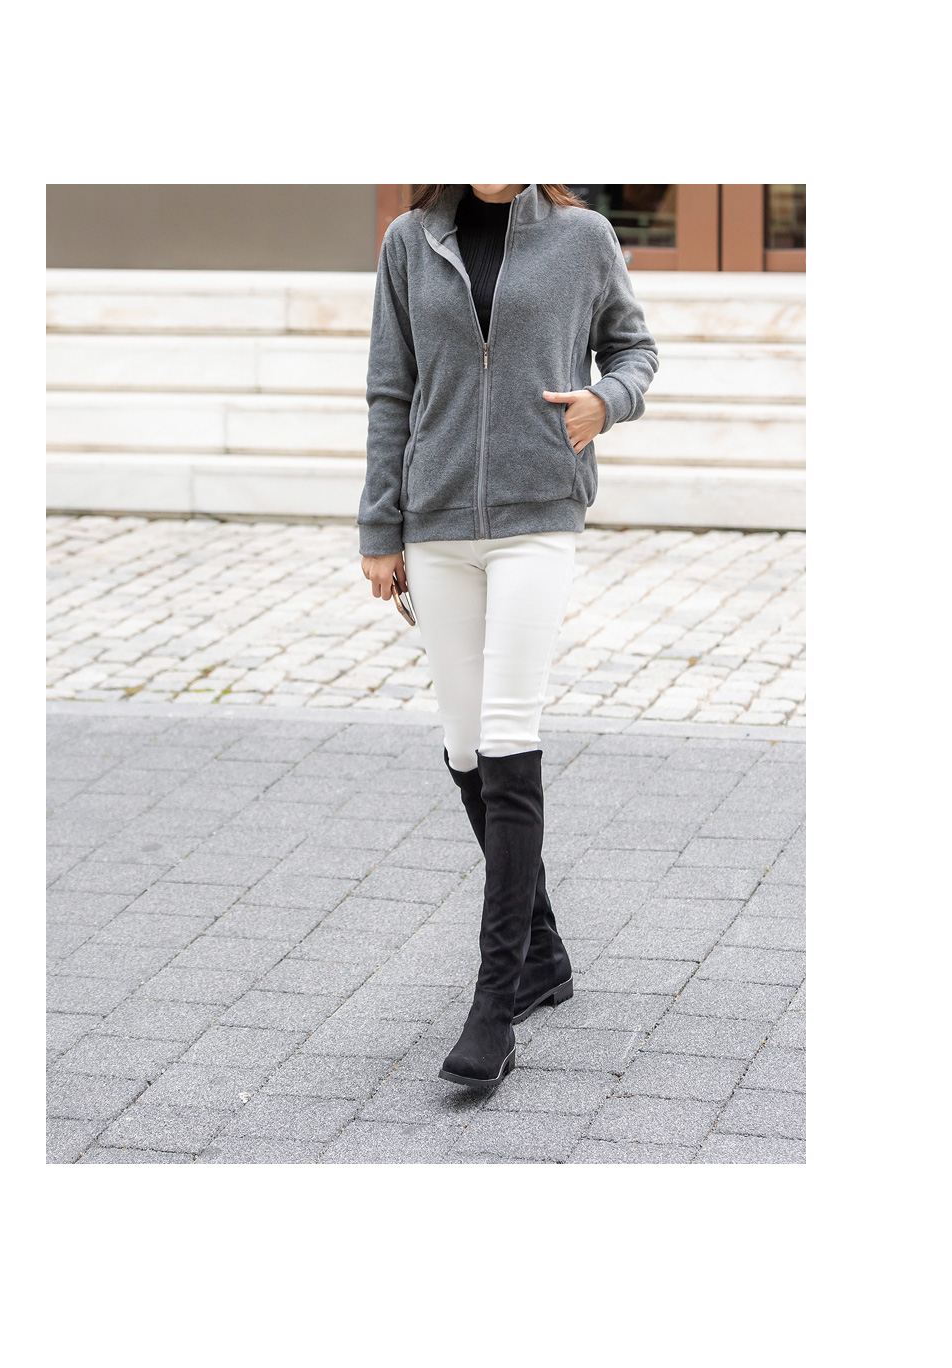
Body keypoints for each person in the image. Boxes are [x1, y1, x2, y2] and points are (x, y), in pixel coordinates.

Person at [357, 183, 659, 1087]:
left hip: (538, 515)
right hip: (437, 521)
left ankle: (495, 1003)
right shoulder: (410, 242)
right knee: (462, 747)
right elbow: (390, 389)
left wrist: (608, 399)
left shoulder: (582, 236)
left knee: (506, 735)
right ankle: (544, 951)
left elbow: (635, 348)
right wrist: (380, 527)